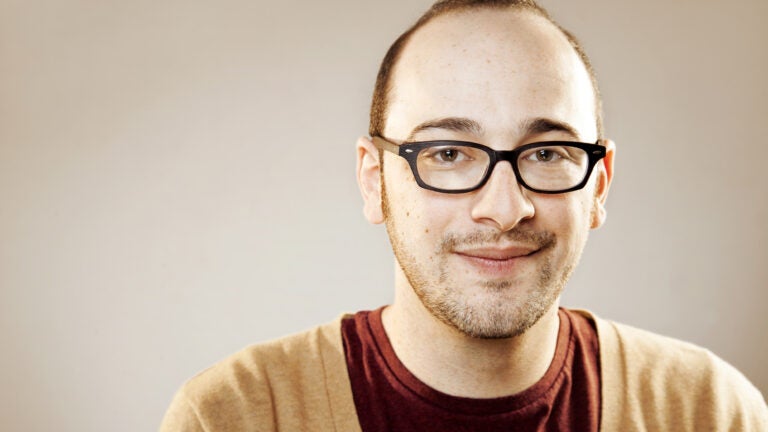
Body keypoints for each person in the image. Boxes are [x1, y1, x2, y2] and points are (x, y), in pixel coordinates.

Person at [160, 1, 768, 430]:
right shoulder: (233, 417)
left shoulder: (713, 414)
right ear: (374, 181)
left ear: (600, 184)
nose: (503, 209)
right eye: (448, 154)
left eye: (546, 153)